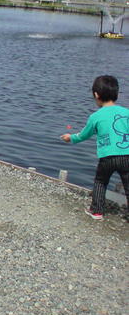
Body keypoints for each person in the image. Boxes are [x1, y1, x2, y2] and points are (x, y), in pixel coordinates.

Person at [61, 75, 129, 220]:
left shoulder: (96, 116)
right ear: (116, 94)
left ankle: (97, 211)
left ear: (96, 95)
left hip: (107, 157)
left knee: (100, 182)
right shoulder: (126, 113)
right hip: (127, 155)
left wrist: (70, 138)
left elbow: (84, 135)